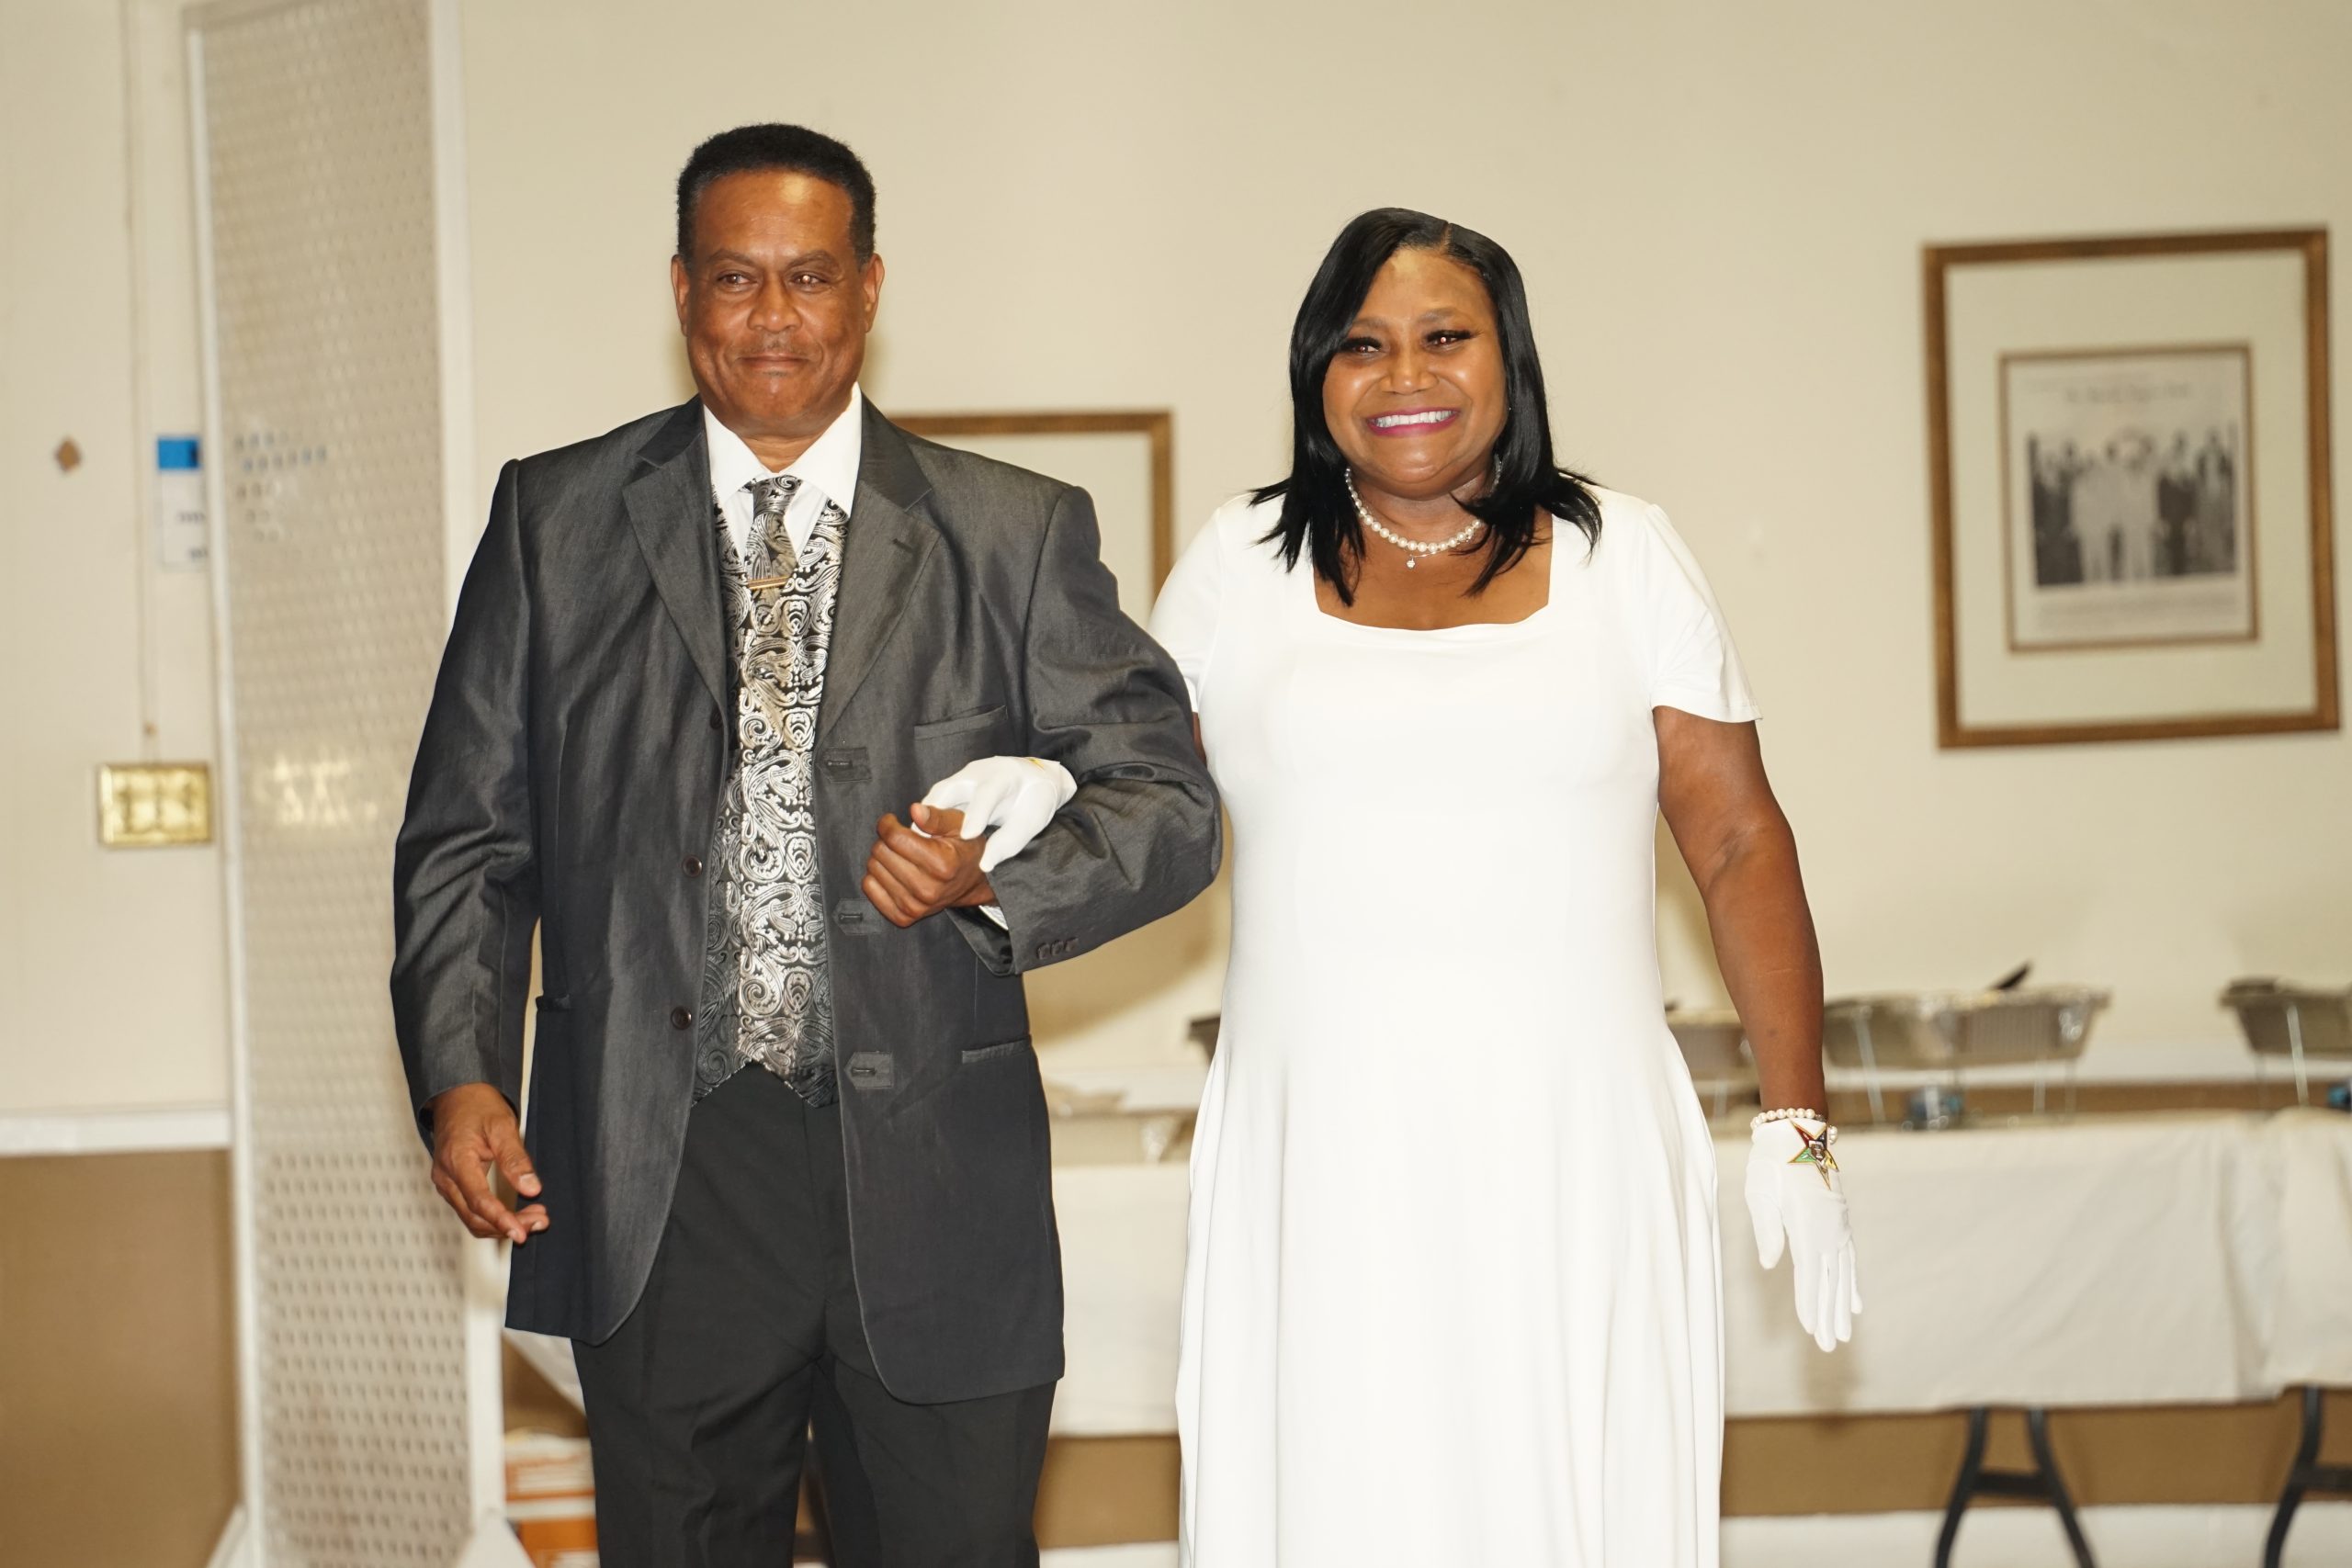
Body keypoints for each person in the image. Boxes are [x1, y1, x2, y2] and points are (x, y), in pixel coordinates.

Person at [390, 123, 1219, 1566]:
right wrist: (461, 1076)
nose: (773, 316)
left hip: (936, 1173)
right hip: (665, 1168)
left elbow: (1170, 800)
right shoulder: (555, 521)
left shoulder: (1009, 532)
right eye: (735, 278)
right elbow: (468, 835)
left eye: (811, 277)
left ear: (869, 289)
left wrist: (998, 882)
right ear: (681, 291)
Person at [1146, 209, 1859, 1566]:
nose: (1405, 376)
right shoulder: (1239, 562)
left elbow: (1737, 844)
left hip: (1572, 1148)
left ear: (1509, 359)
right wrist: (1027, 793)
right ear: (1315, 371)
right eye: (1363, 345)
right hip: (1323, 1153)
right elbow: (1136, 800)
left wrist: (1799, 1122)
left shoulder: (1626, 554)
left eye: (1444, 338)